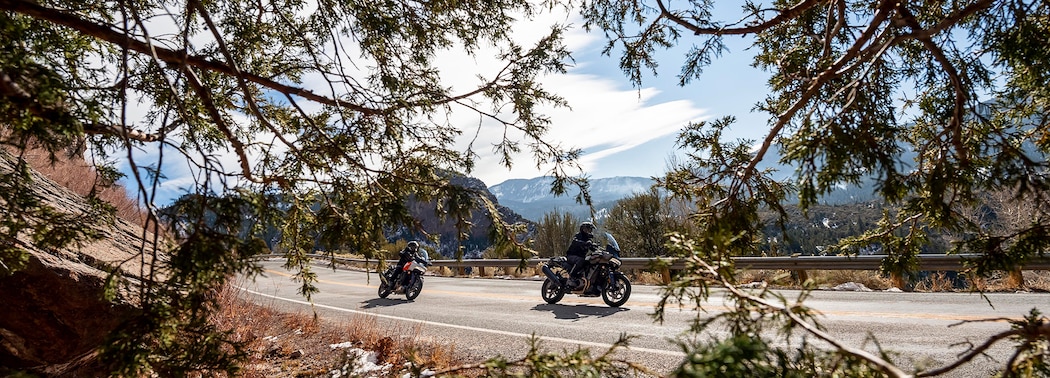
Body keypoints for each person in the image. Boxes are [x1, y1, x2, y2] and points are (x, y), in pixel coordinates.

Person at [565, 222, 599, 295]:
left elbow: (592, 247)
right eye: (587, 229)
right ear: (582, 229)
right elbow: (575, 241)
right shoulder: (578, 236)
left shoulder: (589, 239)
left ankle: (585, 281)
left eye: (590, 230)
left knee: (589, 262)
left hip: (581, 257)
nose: (589, 231)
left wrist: (596, 248)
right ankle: (572, 277)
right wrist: (584, 243)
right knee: (581, 260)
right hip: (571, 256)